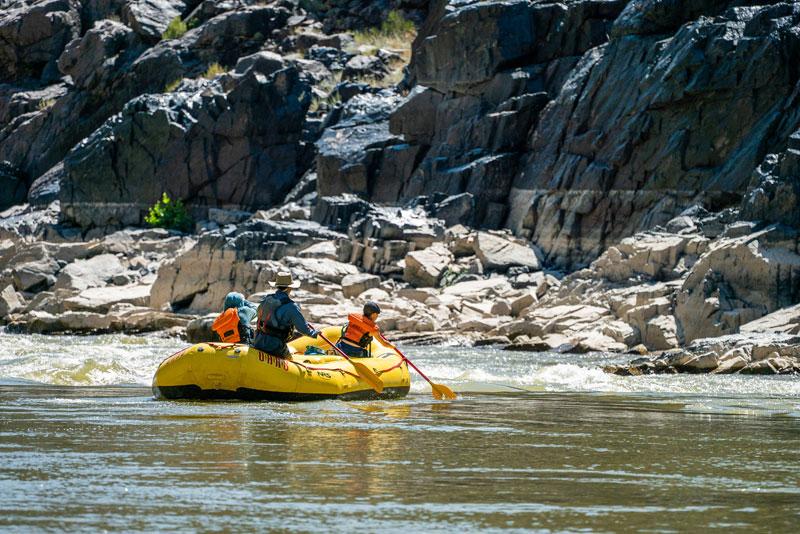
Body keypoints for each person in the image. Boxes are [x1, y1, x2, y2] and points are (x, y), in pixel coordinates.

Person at [252, 272, 319, 358]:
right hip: (275, 347)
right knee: (291, 361)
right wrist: (314, 333)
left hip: (258, 341)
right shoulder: (291, 307)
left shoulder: (267, 299)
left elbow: (258, 313)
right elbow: (303, 329)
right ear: (289, 288)